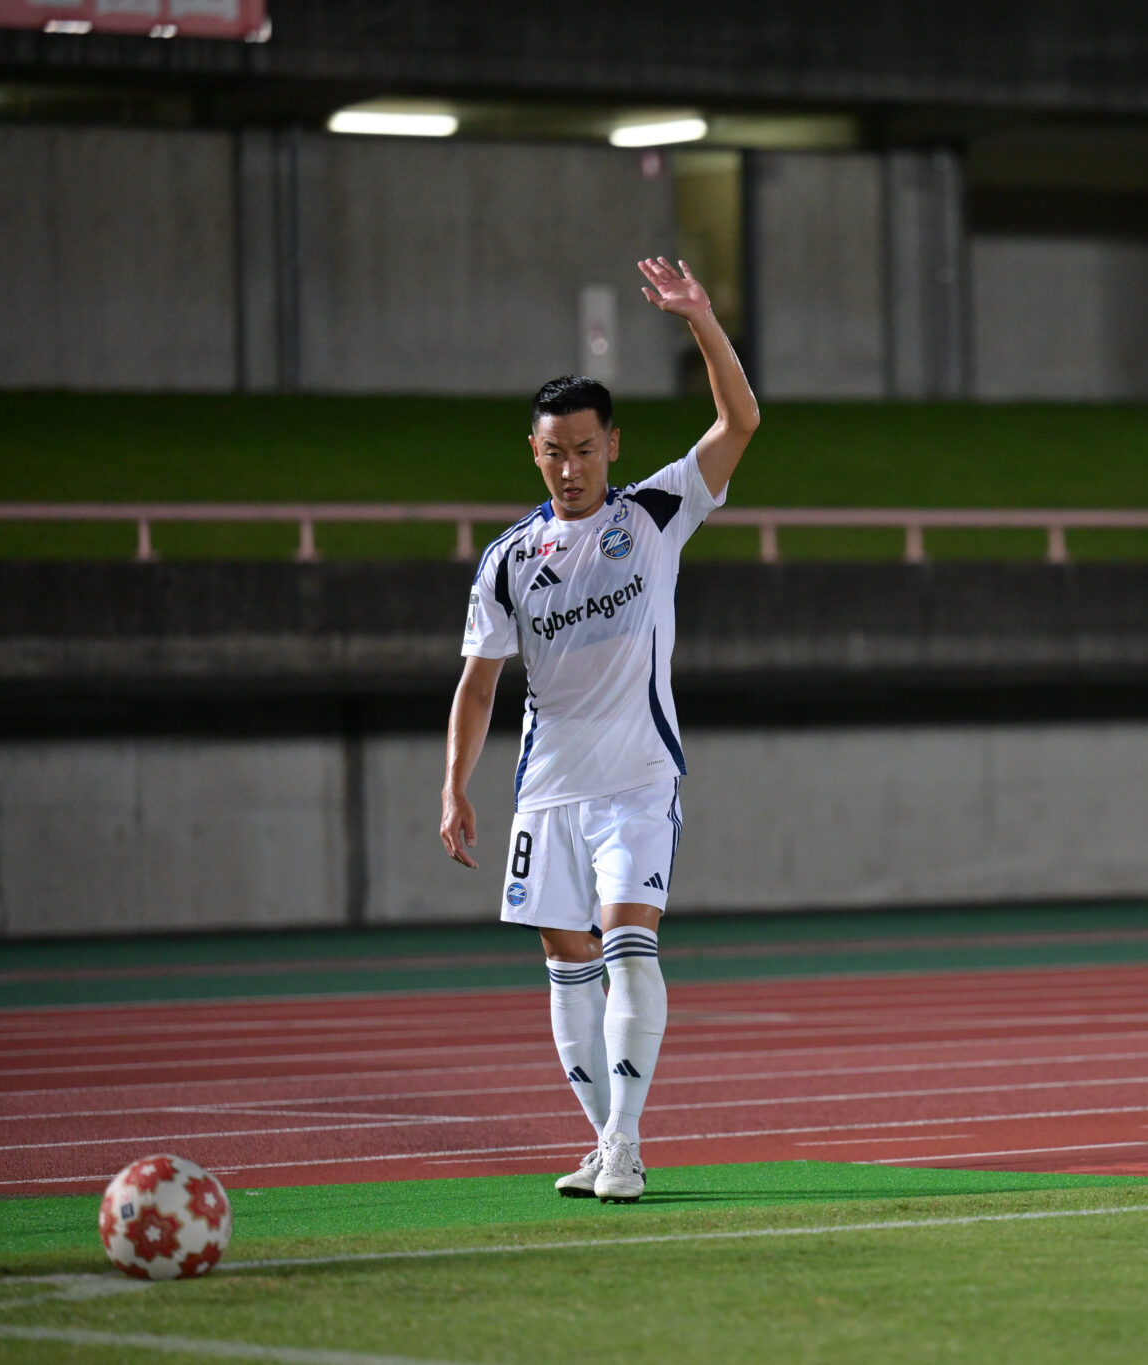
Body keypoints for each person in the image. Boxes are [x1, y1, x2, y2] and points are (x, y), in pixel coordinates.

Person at [439, 256, 758, 1203]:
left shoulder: (656, 511)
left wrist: (700, 318)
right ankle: (606, 1139)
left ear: (613, 445)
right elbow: (477, 684)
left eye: (585, 448)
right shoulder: (508, 560)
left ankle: (622, 1143)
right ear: (533, 452)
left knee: (627, 944)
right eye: (554, 452)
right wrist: (454, 784)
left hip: (638, 782)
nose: (571, 467)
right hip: (548, 790)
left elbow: (740, 422)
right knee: (565, 962)